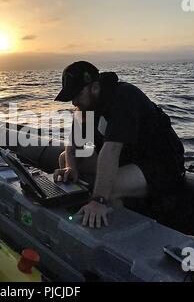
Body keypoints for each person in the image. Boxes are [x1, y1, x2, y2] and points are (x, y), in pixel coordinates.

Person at [53, 61, 185, 228]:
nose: (73, 102)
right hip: (127, 159)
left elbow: (111, 150)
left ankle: (120, 235)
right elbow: (71, 148)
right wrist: (70, 168)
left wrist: (99, 199)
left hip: (160, 163)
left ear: (94, 87)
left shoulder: (123, 96)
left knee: (110, 189)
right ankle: (86, 208)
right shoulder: (84, 110)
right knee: (63, 158)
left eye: (77, 95)